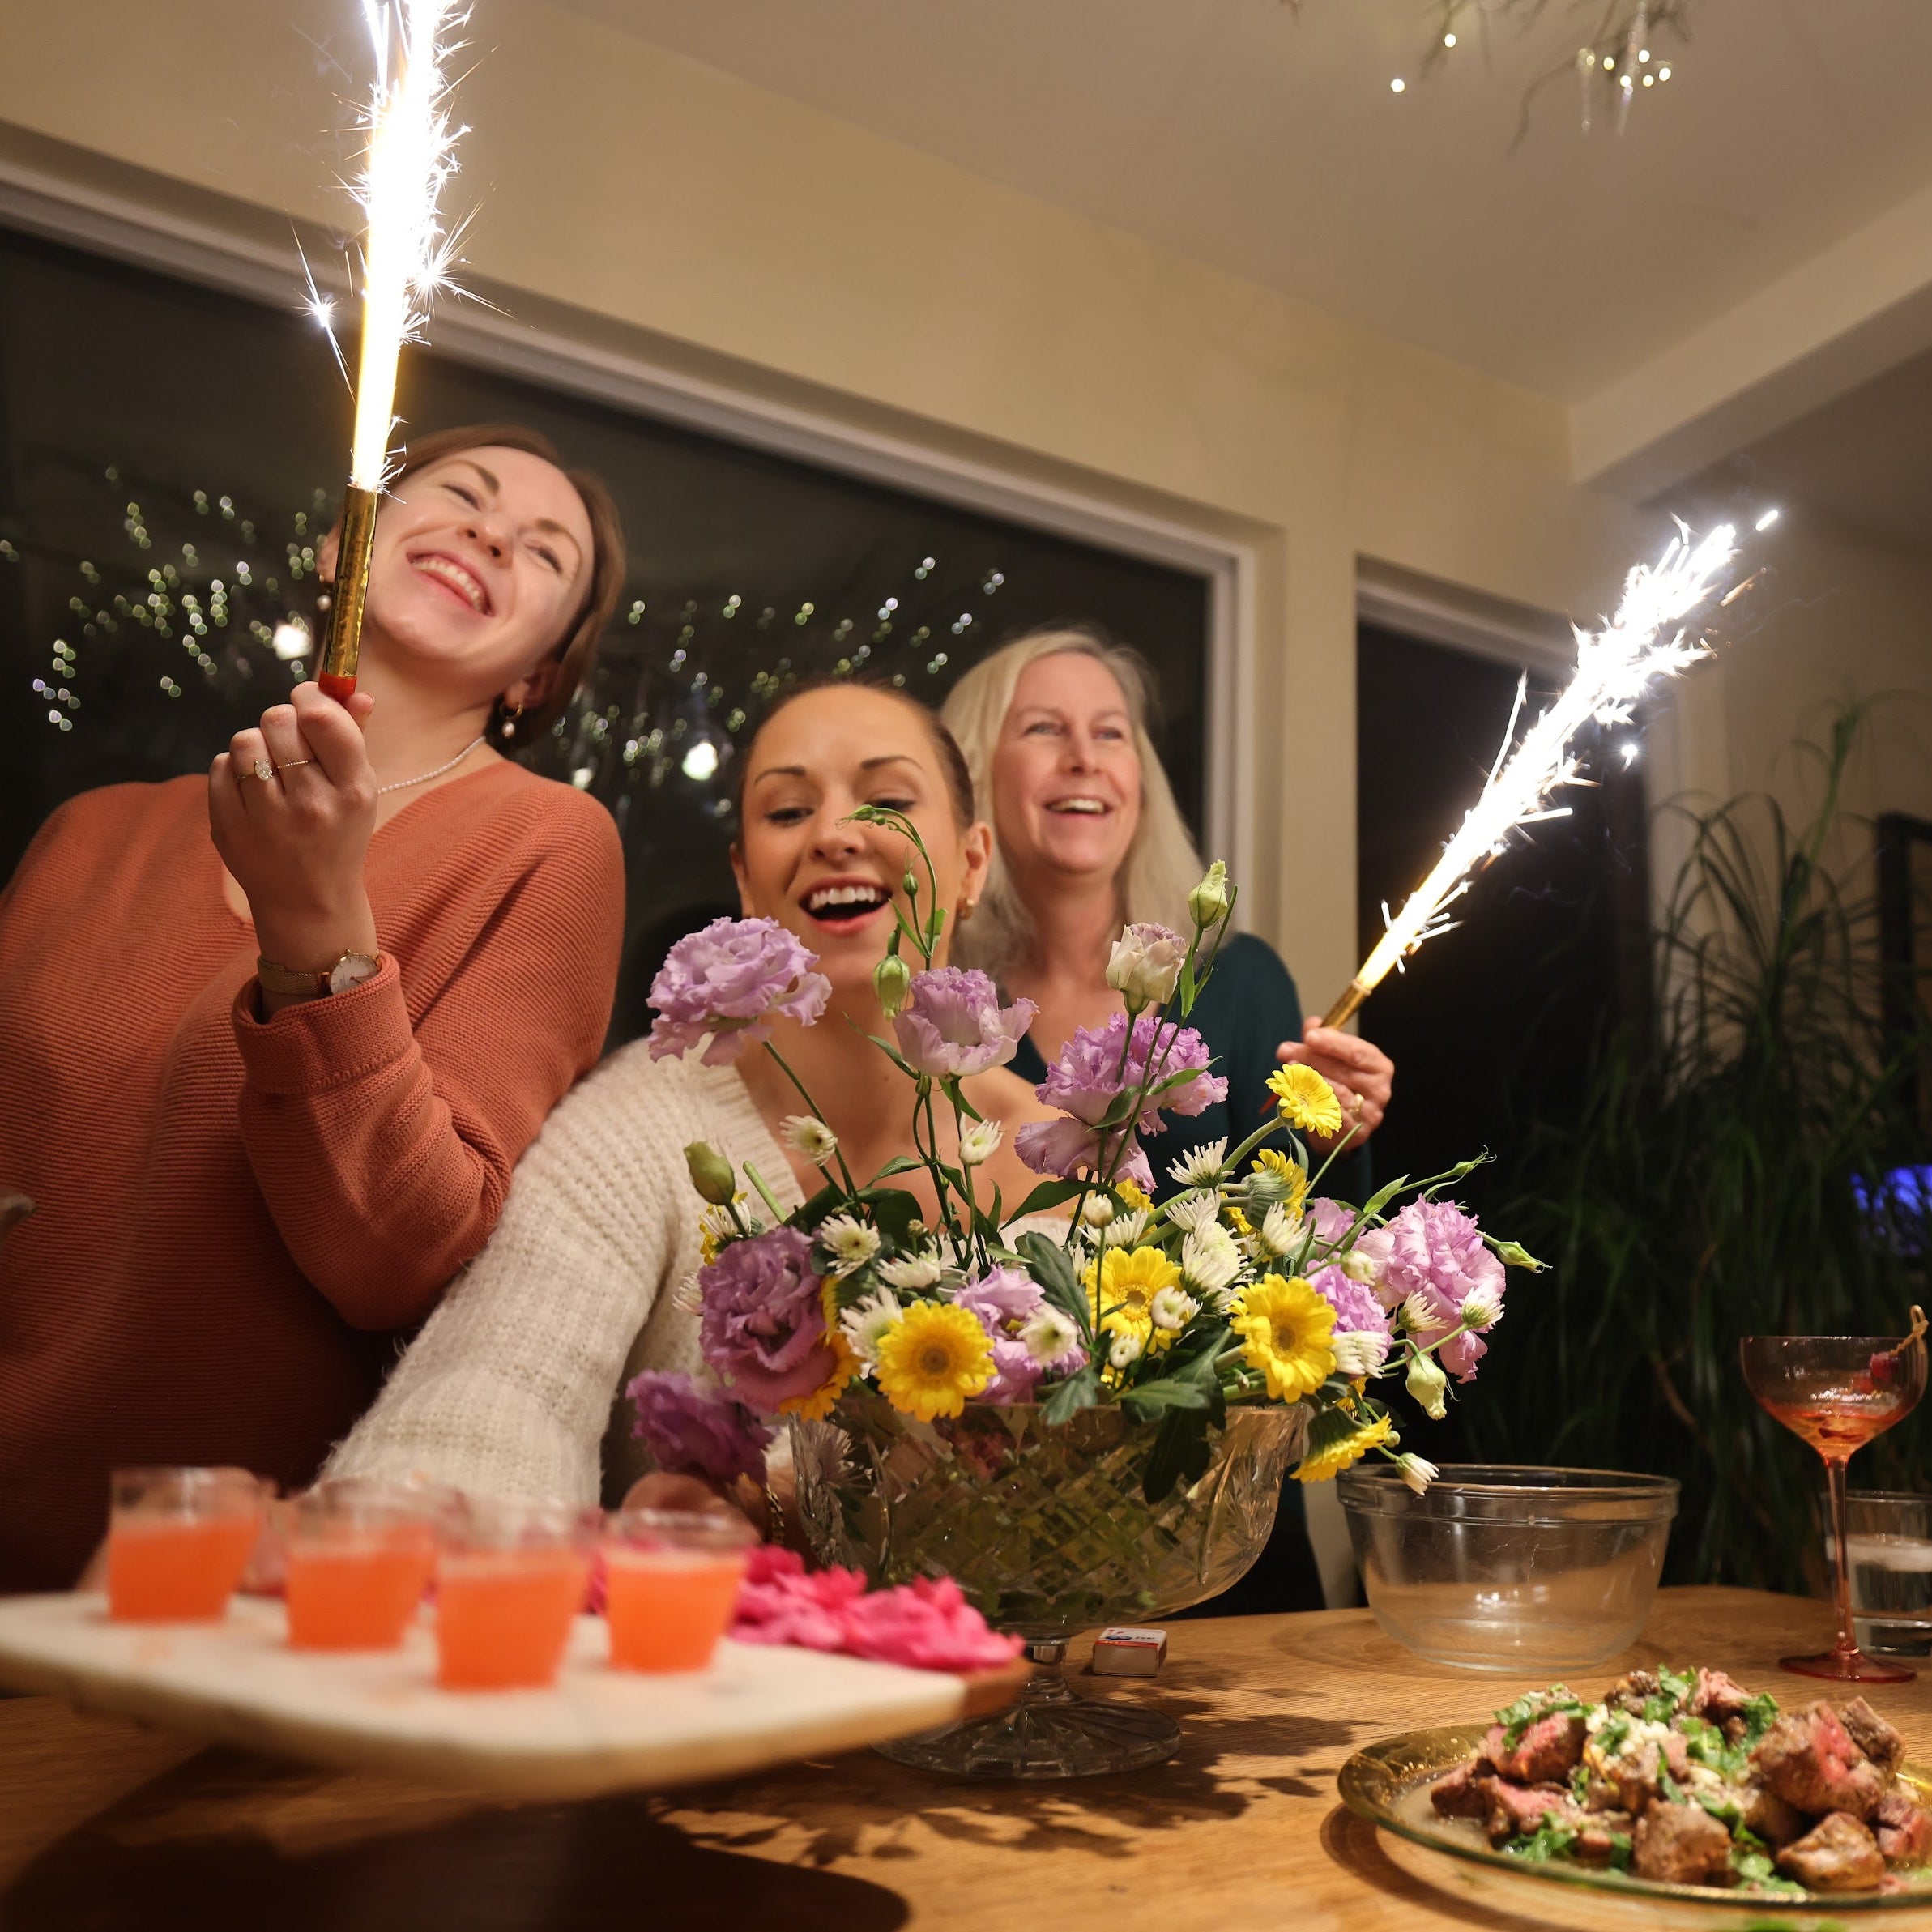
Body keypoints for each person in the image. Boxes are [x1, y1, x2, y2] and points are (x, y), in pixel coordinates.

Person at [0, 423, 628, 1590]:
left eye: (545, 554)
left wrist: (316, 932)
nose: (492, 533)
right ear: (347, 543)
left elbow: (400, 1257)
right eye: (463, 498)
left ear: (538, 673)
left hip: (211, 1601)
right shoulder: (90, 831)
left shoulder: (546, 846)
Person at [327, 680, 1056, 1508]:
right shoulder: (641, 1122)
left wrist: (775, 1506)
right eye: (787, 813)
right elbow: (503, 1385)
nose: (835, 835)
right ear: (746, 881)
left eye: (886, 800)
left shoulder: (1061, 1161)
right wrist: (413, 1530)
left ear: (971, 861)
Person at [941, 623, 1397, 1613]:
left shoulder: (1240, 982)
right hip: (1003, 1535)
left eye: (1112, 734)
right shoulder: (944, 1012)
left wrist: (1329, 1138)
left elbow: (1308, 1256)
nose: (1084, 758)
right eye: (1044, 730)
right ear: (974, 779)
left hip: (1218, 1538)